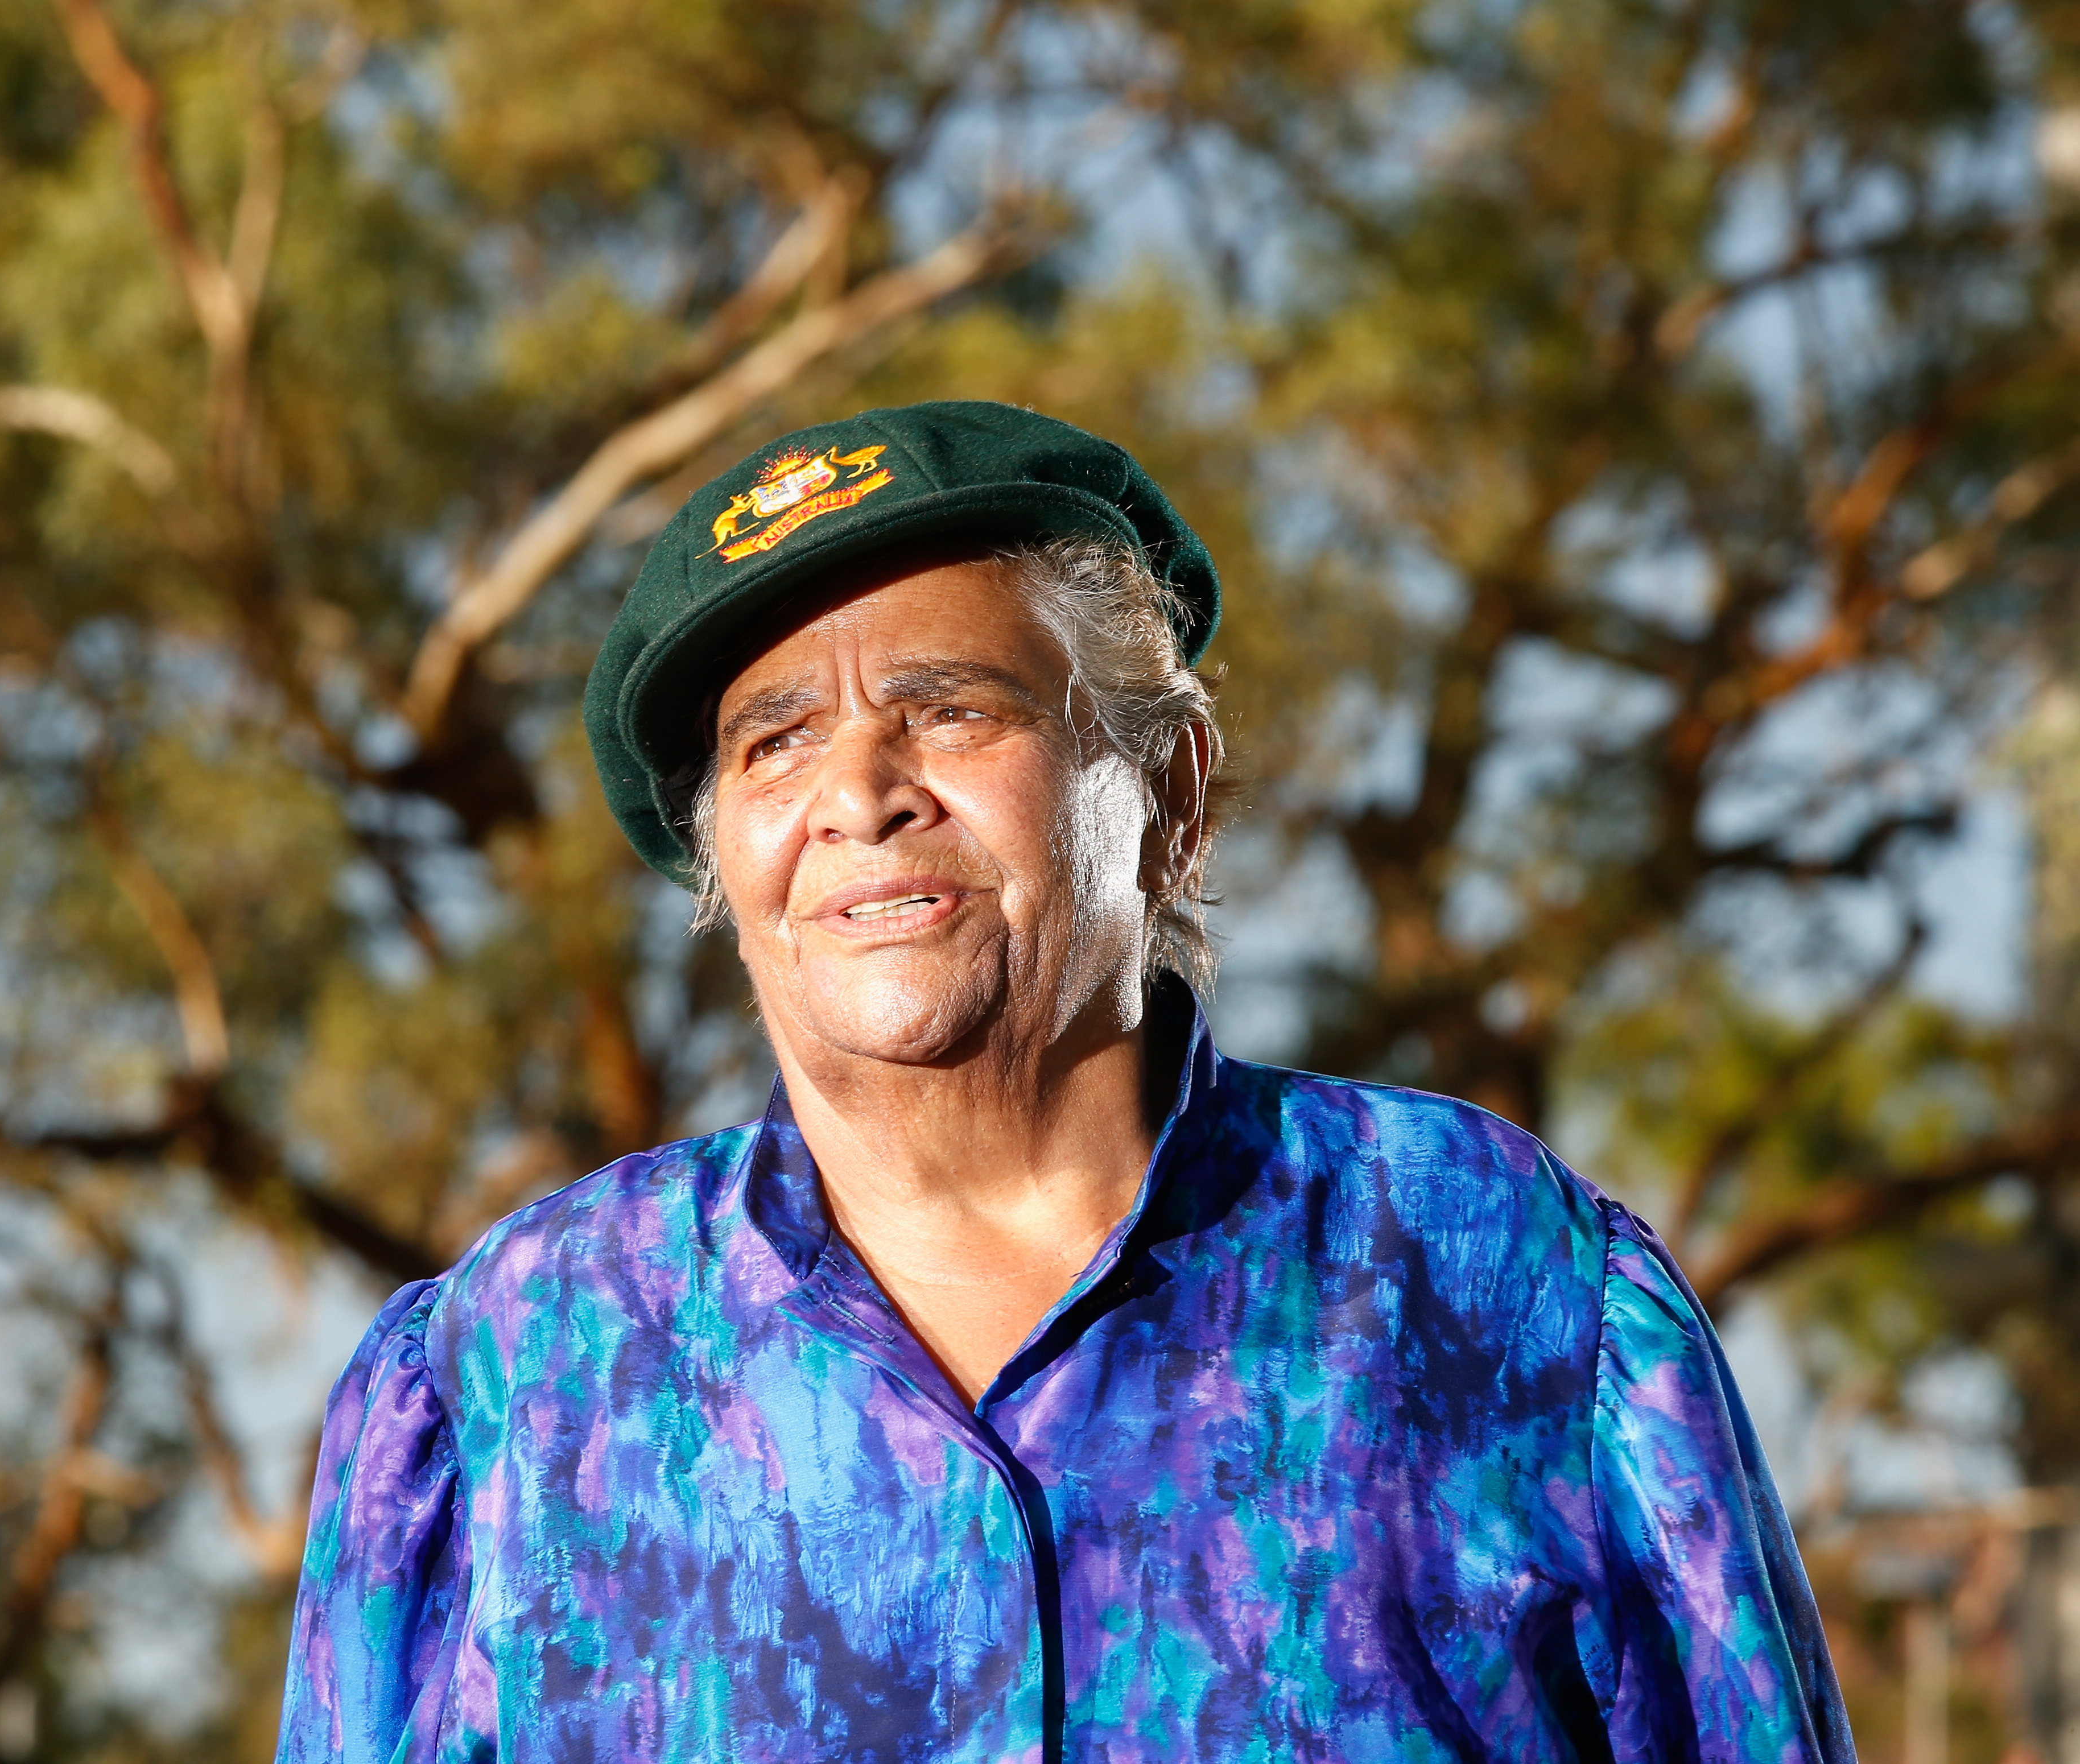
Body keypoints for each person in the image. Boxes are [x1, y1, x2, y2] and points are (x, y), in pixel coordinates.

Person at [271, 402, 1856, 1763]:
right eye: (774, 741)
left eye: (951, 707)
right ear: (721, 865)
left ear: (1167, 789)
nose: (860, 795)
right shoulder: (509, 1366)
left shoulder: (1501, 1274)